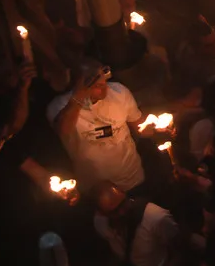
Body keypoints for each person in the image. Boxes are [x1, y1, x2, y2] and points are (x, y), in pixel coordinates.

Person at [47, 60, 145, 191]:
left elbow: (140, 126)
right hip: (96, 190)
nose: (103, 86)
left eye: (103, 79)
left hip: (132, 179)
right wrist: (78, 98)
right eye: (93, 81)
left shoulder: (119, 92)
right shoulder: (59, 106)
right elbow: (64, 130)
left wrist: (155, 126)